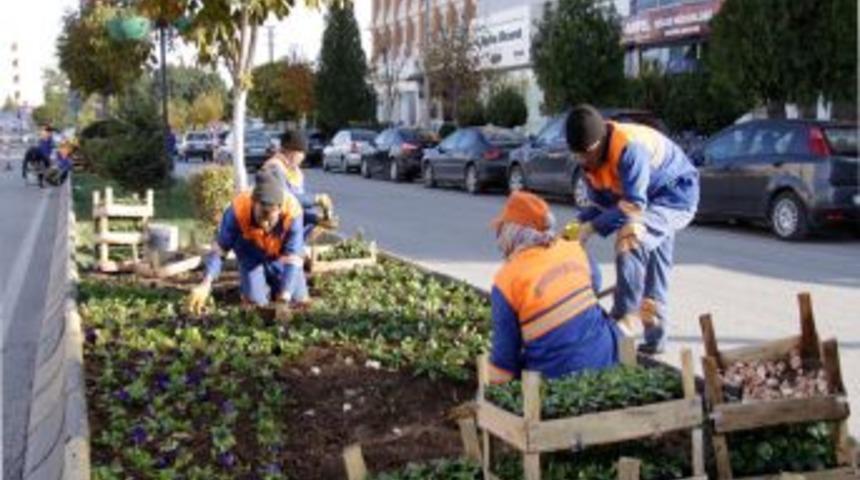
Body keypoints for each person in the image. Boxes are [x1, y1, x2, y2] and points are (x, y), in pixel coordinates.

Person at [564, 104, 699, 354]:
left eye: (584, 154)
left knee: (630, 237)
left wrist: (591, 228)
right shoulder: (591, 163)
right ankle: (655, 340)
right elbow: (598, 206)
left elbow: (633, 207)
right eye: (576, 155)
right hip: (650, 200)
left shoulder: (629, 149)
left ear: (597, 144)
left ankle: (622, 323)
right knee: (657, 268)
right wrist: (570, 232)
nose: (581, 161)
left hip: (675, 197)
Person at [488, 191, 620, 384]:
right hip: (606, 359)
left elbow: (503, 369)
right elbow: (595, 285)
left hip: (557, 379)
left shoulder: (506, 280)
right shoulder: (572, 248)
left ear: (511, 233)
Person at [187, 169, 308, 314]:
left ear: (279, 208)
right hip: (250, 256)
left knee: (298, 303)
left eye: (270, 220)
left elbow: (293, 259)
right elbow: (220, 250)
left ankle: (277, 289)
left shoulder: (293, 212)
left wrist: (284, 299)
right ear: (254, 202)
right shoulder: (237, 210)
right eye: (261, 216)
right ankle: (255, 288)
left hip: (280, 257)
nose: (265, 224)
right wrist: (206, 283)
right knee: (255, 306)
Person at [262, 130, 333, 239]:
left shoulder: (295, 172)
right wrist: (316, 199)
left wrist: (317, 219)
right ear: (292, 152)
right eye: (302, 153)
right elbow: (286, 201)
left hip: (290, 230)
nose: (303, 158)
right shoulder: (274, 168)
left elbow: (300, 207)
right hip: (273, 231)